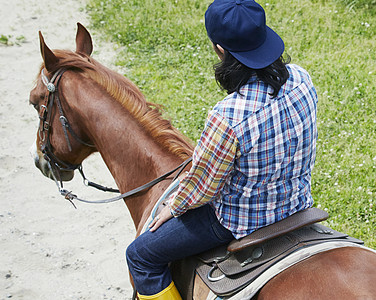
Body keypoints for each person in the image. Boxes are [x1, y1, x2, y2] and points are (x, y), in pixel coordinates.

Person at [125, 0, 318, 298]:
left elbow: (204, 186)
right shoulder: (301, 79)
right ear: (264, 35)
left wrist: (172, 205)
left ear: (220, 50)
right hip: (296, 203)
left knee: (141, 256)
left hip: (240, 221)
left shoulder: (228, 115)